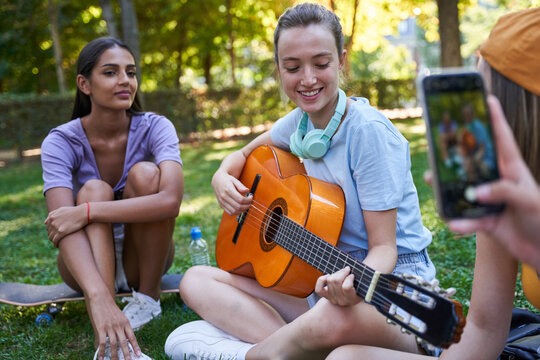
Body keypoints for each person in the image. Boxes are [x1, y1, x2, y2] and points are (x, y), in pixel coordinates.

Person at [166, 3, 438, 359]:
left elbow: (384, 250)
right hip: (321, 281)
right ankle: (295, 345)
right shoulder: (298, 124)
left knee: (329, 319)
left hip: (385, 286)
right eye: (292, 67)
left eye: (321, 64)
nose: (307, 79)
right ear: (279, 69)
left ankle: (261, 353)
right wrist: (222, 173)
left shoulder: (367, 133)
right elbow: (243, 156)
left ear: (341, 61)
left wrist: (351, 288)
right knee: (196, 280)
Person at [322, 6, 540, 359]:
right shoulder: (498, 192)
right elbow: (483, 331)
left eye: (483, 98)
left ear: (518, 113)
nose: (471, 119)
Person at [41, 37, 184, 360]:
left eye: (130, 72)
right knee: (93, 187)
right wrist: (98, 297)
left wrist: (87, 211)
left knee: (146, 174)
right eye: (110, 72)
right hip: (85, 263)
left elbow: (171, 201)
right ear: (84, 84)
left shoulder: (156, 127)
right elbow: (62, 225)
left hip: (146, 258)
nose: (125, 81)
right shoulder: (61, 140)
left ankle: (148, 300)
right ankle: (106, 337)